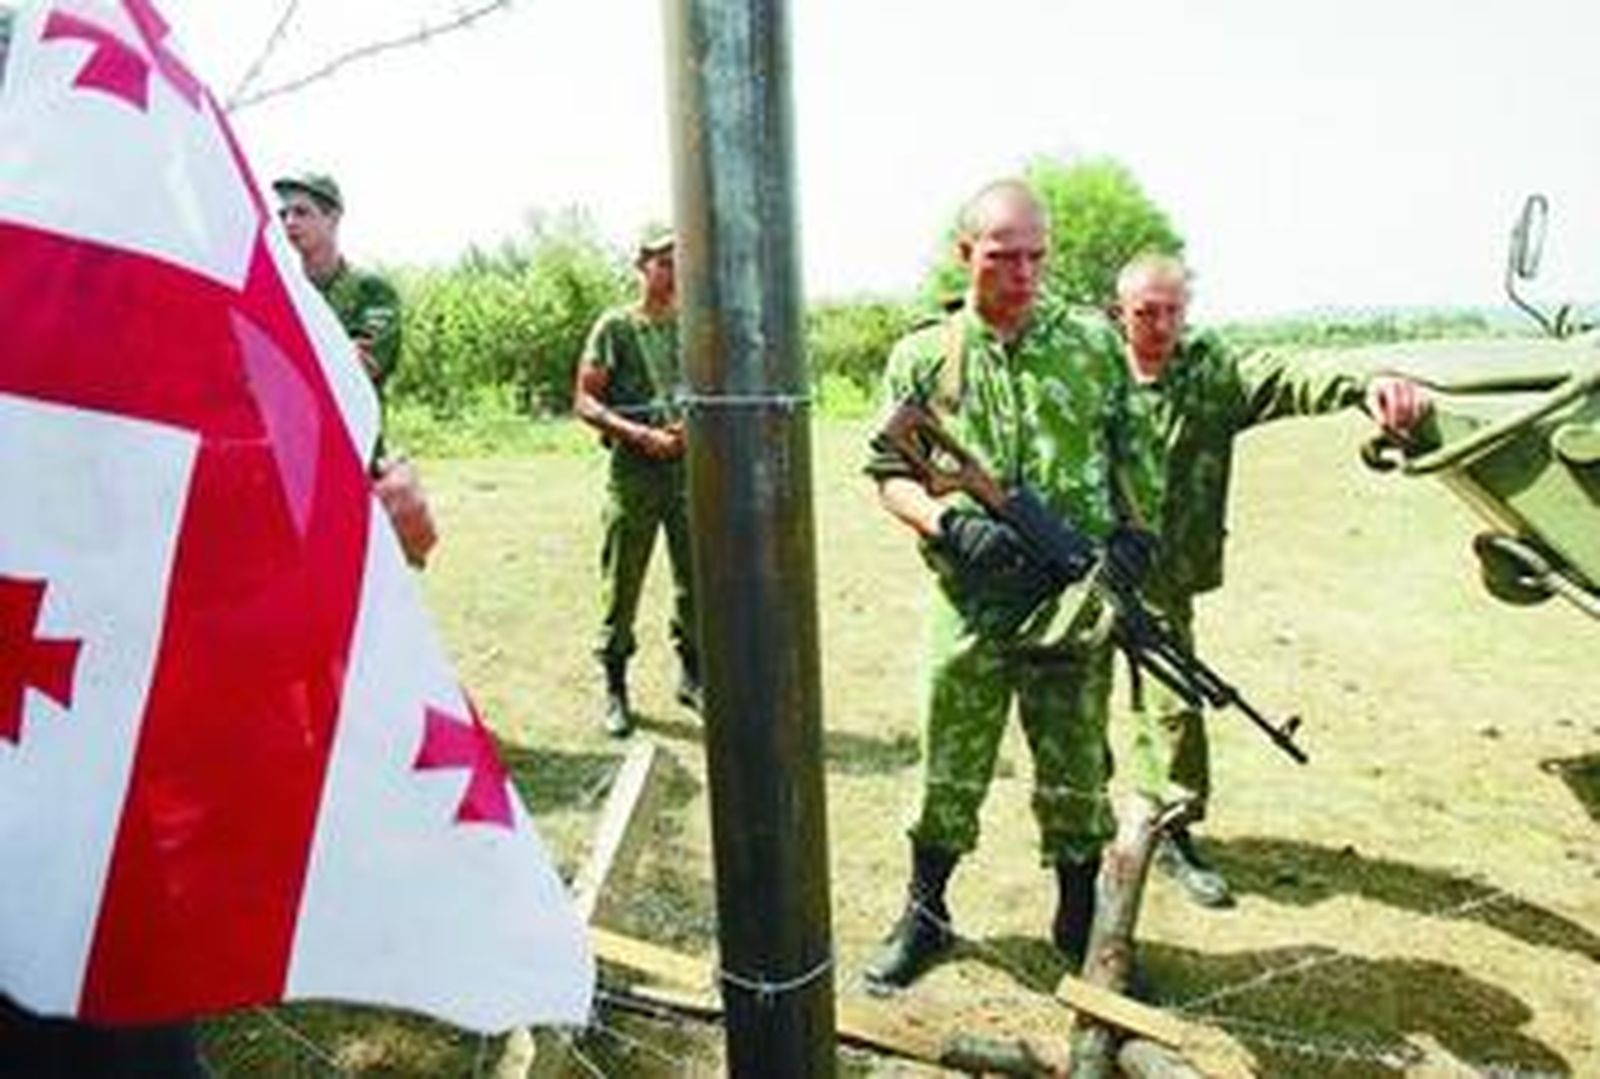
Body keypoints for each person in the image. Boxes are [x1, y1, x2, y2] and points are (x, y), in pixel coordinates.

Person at [861, 180, 1162, 989]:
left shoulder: (1094, 345)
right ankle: (925, 914)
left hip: (1072, 603)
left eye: (1037, 255)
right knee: (949, 762)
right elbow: (890, 471)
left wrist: (1136, 540)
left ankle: (1075, 915)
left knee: (1074, 762)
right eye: (1003, 257)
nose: (1024, 273)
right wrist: (949, 524)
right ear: (966, 255)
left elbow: (1135, 452)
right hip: (971, 603)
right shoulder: (925, 355)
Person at [1114, 252, 1428, 907]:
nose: (1162, 324)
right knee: (1067, 698)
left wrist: (1365, 381)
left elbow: (1291, 373)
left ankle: (1172, 833)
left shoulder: (1213, 373)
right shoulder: (1091, 373)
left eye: (1174, 309)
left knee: (1172, 707)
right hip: (1084, 566)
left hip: (1163, 577)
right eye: (1147, 311)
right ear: (1122, 312)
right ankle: (1079, 838)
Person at [573, 226, 699, 739]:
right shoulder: (616, 327)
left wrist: (689, 432)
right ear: (642, 264)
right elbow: (585, 400)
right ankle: (616, 687)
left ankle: (693, 676)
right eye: (662, 260)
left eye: (679, 260)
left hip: (690, 472)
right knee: (622, 583)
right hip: (635, 474)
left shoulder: (696, 325)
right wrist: (641, 435)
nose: (671, 270)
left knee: (696, 582)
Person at [272, 172, 403, 439]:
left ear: (332, 217)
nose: (290, 222)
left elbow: (360, 369)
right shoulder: (281, 293)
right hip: (294, 444)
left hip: (353, 448)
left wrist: (290, 361)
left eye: (302, 212)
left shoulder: (371, 291)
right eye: (284, 214)